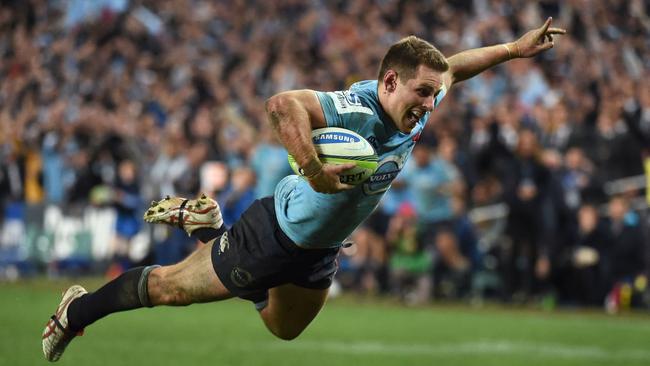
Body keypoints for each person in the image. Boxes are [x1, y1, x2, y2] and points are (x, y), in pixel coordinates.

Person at [42, 18, 565, 362]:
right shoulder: (358, 110)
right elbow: (280, 105)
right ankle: (75, 311)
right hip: (275, 232)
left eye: (434, 94)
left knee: (282, 329)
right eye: (422, 92)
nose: (431, 102)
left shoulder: (419, 105)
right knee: (169, 290)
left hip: (320, 248)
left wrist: (513, 51)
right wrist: (315, 171)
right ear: (388, 83)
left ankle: (210, 228)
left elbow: (455, 68)